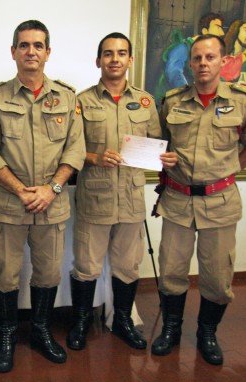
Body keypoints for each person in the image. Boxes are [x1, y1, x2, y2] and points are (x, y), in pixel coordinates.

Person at [0, 20, 85, 373]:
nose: (31, 51)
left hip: (52, 204)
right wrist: (21, 190)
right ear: (13, 52)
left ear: (48, 52)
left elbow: (75, 150)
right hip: (10, 204)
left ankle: (40, 330)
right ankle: (7, 335)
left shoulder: (67, 98)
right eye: (24, 45)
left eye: (38, 45)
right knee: (5, 273)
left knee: (48, 272)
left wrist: (52, 189)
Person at [152, 34, 246, 366]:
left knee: (217, 277)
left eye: (210, 57)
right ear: (190, 63)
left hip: (220, 203)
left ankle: (207, 333)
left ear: (223, 61)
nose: (203, 63)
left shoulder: (244, 101)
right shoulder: (172, 101)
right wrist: (163, 158)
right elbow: (159, 145)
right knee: (171, 272)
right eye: (197, 58)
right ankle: (171, 329)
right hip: (178, 199)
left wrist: (226, 172)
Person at [67, 32, 177, 351]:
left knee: (127, 266)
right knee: (86, 266)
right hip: (95, 198)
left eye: (121, 53)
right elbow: (70, 150)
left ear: (130, 59)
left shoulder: (145, 102)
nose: (114, 59)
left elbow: (156, 144)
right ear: (98, 60)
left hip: (130, 198)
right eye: (108, 53)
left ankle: (123, 320)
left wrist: (164, 157)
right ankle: (81, 321)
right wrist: (95, 157)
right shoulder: (81, 102)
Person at [155, 13, 225, 103]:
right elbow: (174, 72)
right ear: (205, 31)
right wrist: (189, 96)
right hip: (172, 103)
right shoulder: (183, 47)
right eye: (218, 27)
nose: (222, 33)